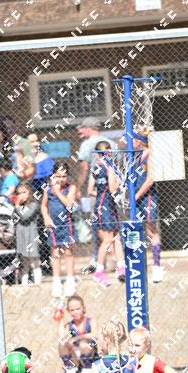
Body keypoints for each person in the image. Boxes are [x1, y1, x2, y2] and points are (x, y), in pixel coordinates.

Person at [76, 117, 117, 275]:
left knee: (97, 227)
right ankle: (116, 260)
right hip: (112, 191)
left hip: (97, 192)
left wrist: (78, 188)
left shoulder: (87, 144)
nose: (80, 131)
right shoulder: (111, 143)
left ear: (90, 128)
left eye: (82, 127)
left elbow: (84, 168)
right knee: (112, 227)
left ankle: (97, 260)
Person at [88, 141, 125, 287]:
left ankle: (121, 268)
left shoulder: (96, 167)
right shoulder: (110, 166)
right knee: (109, 238)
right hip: (106, 206)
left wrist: (101, 195)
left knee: (116, 237)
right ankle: (99, 271)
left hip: (103, 204)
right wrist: (122, 185)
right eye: (107, 150)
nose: (109, 152)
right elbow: (112, 188)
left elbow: (90, 190)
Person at [41, 161, 77, 298]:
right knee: (55, 252)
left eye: (64, 176)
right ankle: (56, 282)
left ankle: (70, 281)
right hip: (53, 225)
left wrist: (57, 192)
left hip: (67, 224)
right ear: (53, 176)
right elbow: (43, 206)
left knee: (68, 251)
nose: (60, 179)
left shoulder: (71, 188)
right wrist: (46, 217)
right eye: (58, 176)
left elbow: (69, 204)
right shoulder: (47, 189)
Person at [133, 131, 163, 283]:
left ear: (139, 141)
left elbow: (150, 180)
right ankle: (138, 266)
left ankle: (157, 267)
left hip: (147, 197)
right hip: (137, 198)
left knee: (151, 230)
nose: (131, 142)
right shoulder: (134, 157)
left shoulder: (149, 156)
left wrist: (136, 196)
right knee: (137, 230)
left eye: (133, 140)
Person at [58, 294, 98, 373]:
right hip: (75, 356)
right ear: (68, 311)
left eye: (78, 309)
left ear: (83, 308)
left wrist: (77, 338)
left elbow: (94, 335)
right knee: (62, 344)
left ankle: (87, 369)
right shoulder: (69, 325)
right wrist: (61, 320)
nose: (75, 312)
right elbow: (62, 337)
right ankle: (70, 369)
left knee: (84, 344)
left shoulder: (91, 321)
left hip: (89, 353)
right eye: (72, 310)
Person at [13, 181, 42, 286]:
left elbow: (25, 217)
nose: (21, 195)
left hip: (31, 235)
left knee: (34, 261)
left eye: (24, 192)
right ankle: (24, 283)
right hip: (21, 236)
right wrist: (16, 206)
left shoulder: (33, 205)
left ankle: (37, 282)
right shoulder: (18, 207)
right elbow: (14, 218)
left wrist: (17, 206)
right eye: (19, 193)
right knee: (24, 261)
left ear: (30, 192)